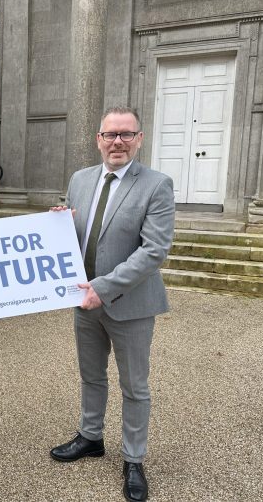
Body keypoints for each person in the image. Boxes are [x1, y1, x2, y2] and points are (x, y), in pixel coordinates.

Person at [50, 107, 175, 502]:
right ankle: (91, 436)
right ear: (98, 139)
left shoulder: (157, 184)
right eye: (110, 134)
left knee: (135, 386)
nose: (116, 141)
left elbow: (154, 251)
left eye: (125, 134)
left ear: (139, 138)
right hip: (83, 301)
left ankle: (134, 459)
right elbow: (78, 235)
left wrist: (103, 286)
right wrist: (59, 224)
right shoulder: (80, 179)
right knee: (91, 375)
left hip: (130, 303)